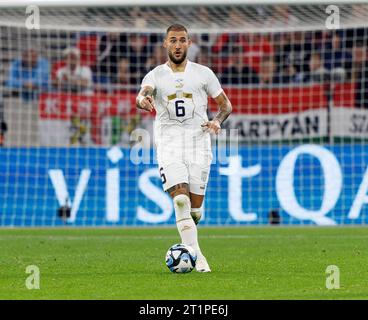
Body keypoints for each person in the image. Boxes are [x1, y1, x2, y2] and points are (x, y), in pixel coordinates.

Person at [136, 24, 232, 272]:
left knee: (195, 211)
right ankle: (197, 258)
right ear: (165, 44)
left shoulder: (203, 74)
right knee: (180, 201)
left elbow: (226, 106)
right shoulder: (155, 75)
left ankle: (190, 235)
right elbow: (142, 94)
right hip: (169, 146)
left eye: (182, 40)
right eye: (173, 40)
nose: (177, 44)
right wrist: (143, 100)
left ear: (189, 43)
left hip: (199, 145)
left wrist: (217, 121)